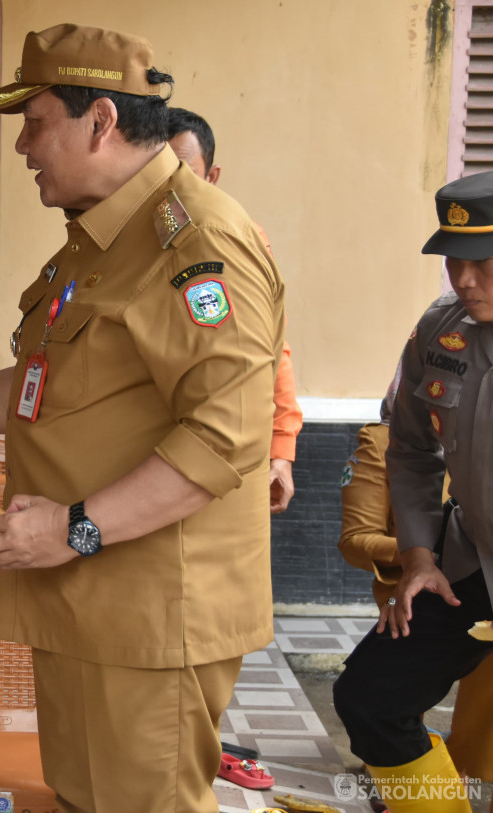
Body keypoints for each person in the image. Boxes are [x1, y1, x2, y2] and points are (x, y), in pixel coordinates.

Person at [0, 24, 285, 812]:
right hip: (85, 595)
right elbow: (51, 382)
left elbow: (225, 436)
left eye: (35, 123)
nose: (22, 147)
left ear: (100, 121)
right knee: (81, 797)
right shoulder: (100, 238)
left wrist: (74, 527)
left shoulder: (198, 241)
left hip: (148, 610)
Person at [333, 171, 493, 813]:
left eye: (482, 262)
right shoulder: (439, 329)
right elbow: (409, 449)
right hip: (468, 564)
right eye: (453, 262)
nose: (464, 280)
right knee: (370, 698)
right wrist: (420, 554)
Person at [338, 381, 493, 785]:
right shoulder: (383, 441)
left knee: (482, 750)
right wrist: (425, 552)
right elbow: (356, 540)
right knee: (383, 711)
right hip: (426, 596)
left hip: (479, 591)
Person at [167, 107, 303, 514]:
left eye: (182, 170)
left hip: (215, 448)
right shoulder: (124, 244)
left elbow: (269, 349)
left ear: (212, 178)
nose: (167, 185)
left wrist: (281, 448)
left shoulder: (232, 242)